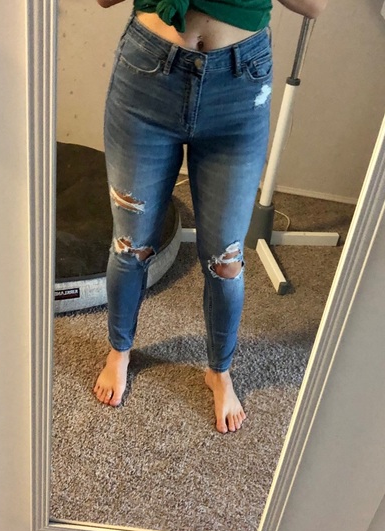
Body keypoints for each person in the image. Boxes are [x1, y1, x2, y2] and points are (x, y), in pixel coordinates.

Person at [94, 0, 328, 433]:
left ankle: (219, 370)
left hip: (240, 84)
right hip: (148, 73)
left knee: (226, 259)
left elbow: (314, 6)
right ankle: (119, 350)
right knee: (130, 244)